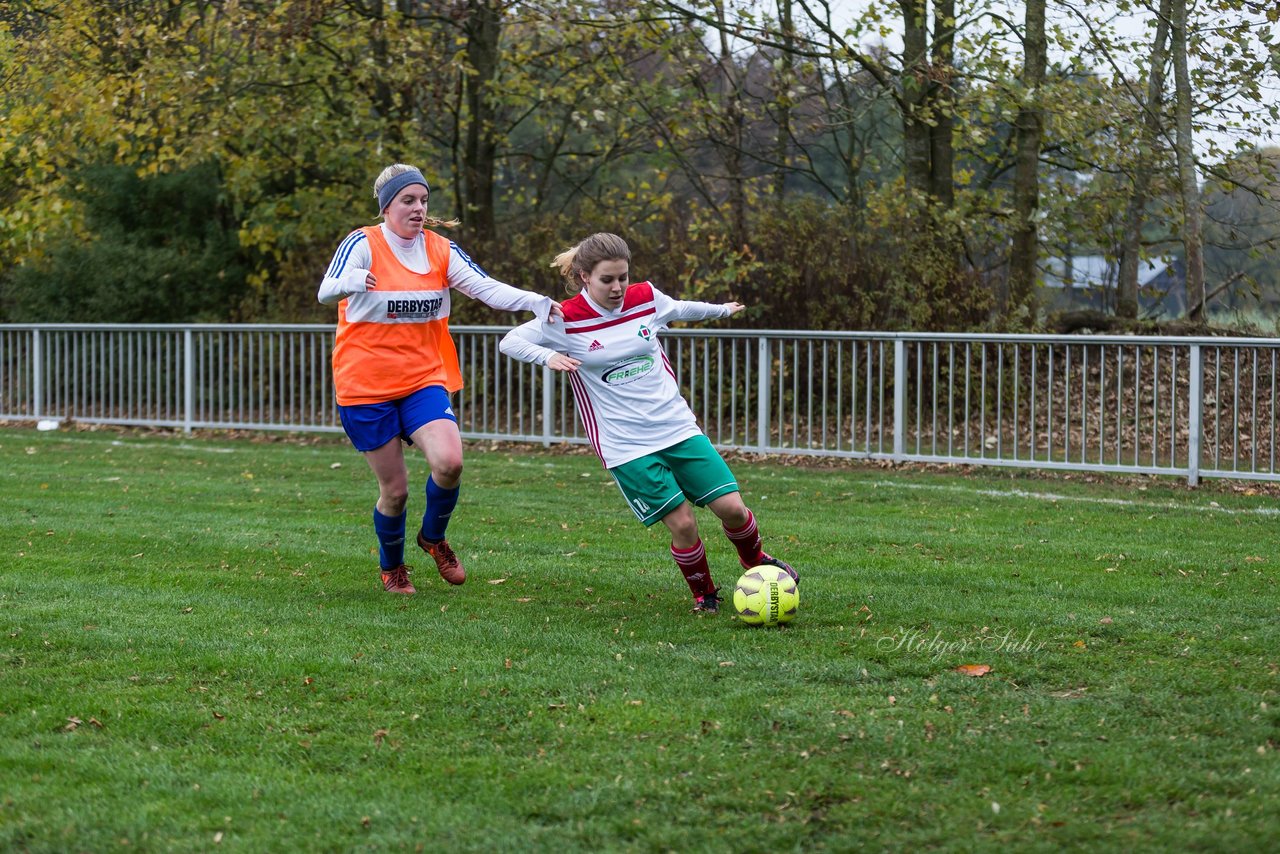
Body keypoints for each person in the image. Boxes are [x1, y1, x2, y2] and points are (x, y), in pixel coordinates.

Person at [498, 232, 796, 614]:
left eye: (623, 276)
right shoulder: (564, 318)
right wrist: (548, 357)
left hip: (677, 428)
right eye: (608, 279)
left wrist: (720, 310)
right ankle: (704, 595)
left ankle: (755, 560)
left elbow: (680, 308)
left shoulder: (645, 298)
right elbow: (510, 341)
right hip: (626, 444)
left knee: (733, 509)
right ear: (585, 276)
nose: (618, 286)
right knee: (684, 523)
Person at [318, 163, 563, 595]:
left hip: (422, 378)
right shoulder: (363, 243)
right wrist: (350, 281)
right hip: (365, 386)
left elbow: (486, 288)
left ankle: (433, 538)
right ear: (386, 206)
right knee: (395, 492)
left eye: (423, 200)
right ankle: (392, 567)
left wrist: (535, 301)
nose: (418, 208)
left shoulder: (440, 249)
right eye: (407, 200)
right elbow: (326, 291)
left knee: (450, 463)